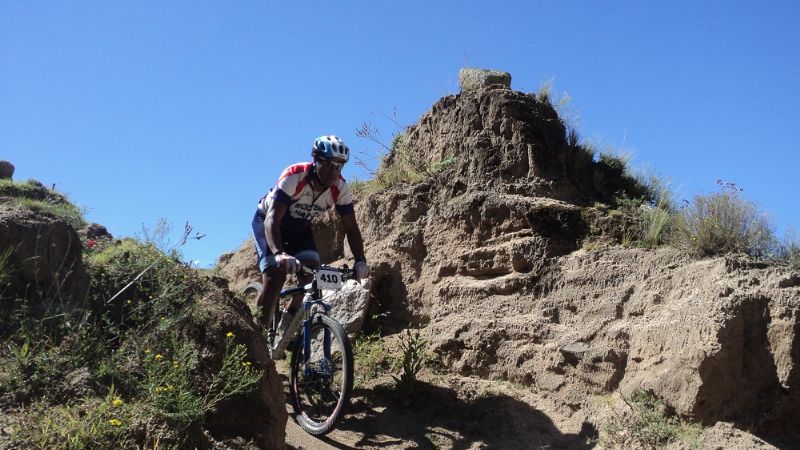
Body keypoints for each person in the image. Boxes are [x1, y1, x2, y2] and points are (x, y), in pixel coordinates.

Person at [252, 135, 369, 353]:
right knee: (275, 276)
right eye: (329, 164)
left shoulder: (340, 188)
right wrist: (278, 253)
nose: (334, 171)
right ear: (316, 160)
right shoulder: (295, 175)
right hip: (269, 223)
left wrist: (360, 260)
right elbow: (272, 219)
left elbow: (351, 228)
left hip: (299, 229)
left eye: (339, 166)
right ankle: (256, 340)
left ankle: (287, 321)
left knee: (311, 273)